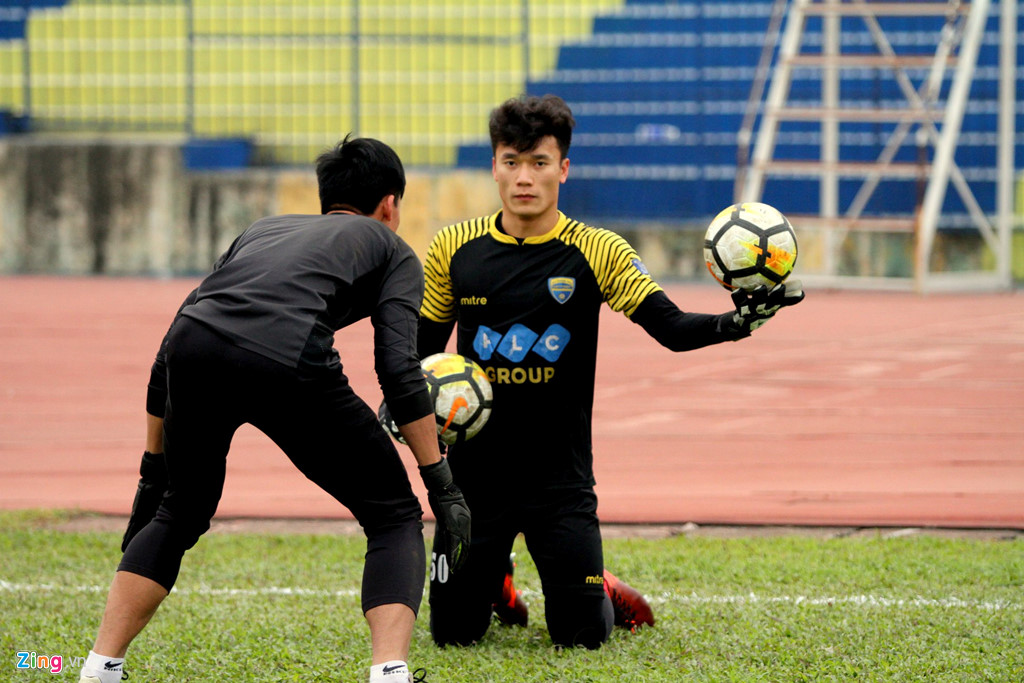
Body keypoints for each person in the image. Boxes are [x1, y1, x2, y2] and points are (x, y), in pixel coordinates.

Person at [416, 94, 804, 650]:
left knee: (579, 637)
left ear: (564, 169)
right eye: (511, 161)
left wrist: (736, 323)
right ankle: (494, 580)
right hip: (475, 480)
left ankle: (600, 589)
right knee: (453, 636)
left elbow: (670, 328)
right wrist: (399, 398)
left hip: (561, 478)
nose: (524, 177)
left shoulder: (597, 250)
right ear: (494, 166)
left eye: (539, 162)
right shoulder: (454, 248)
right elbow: (423, 353)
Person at [78, 134, 471, 683]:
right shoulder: (392, 248)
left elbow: (169, 348)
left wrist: (154, 467)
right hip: (286, 355)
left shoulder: (262, 230)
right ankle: (389, 672)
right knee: (393, 514)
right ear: (391, 205)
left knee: (180, 510)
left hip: (196, 346)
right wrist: (442, 483)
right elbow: (399, 370)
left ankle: (99, 666)